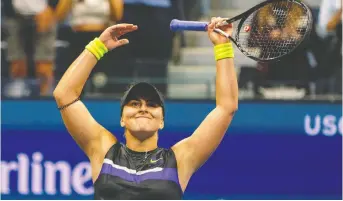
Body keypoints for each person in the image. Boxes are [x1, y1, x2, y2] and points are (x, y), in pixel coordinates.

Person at [53, 17, 238, 199]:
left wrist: (222, 46)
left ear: (162, 121)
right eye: (134, 103)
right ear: (122, 119)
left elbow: (226, 107)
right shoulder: (103, 150)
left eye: (152, 104)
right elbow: (64, 95)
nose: (143, 108)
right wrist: (98, 46)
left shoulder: (180, 159)